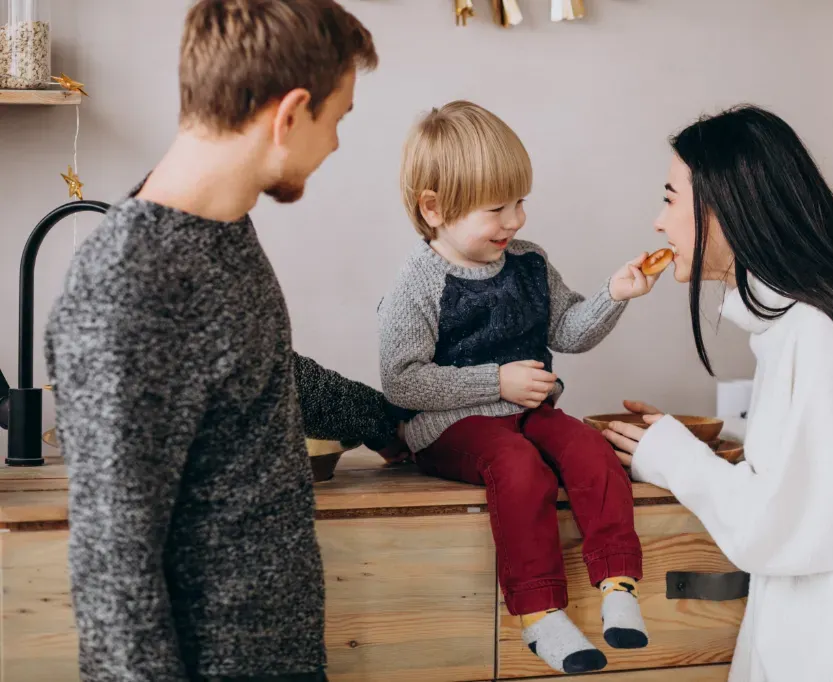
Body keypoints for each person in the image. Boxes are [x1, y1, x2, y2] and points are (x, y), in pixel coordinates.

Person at [43, 2, 407, 680]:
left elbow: (258, 371)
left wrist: (387, 419)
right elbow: (113, 569)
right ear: (290, 113)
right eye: (339, 119)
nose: (334, 145)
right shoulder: (130, 285)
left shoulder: (220, 232)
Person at [602, 105, 833, 682]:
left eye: (671, 198)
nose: (659, 222)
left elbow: (776, 525)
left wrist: (675, 457)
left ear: (724, 209)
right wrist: (717, 437)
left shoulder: (816, 332)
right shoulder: (821, 315)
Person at [377, 100, 658, 675]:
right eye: (497, 208)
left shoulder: (529, 263)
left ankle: (618, 583)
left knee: (587, 446)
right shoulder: (417, 283)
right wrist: (495, 379)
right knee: (517, 465)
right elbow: (401, 382)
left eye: (520, 202)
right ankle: (539, 612)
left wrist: (615, 294)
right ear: (434, 208)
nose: (516, 221)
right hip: (451, 427)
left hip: (528, 412)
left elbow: (569, 332)